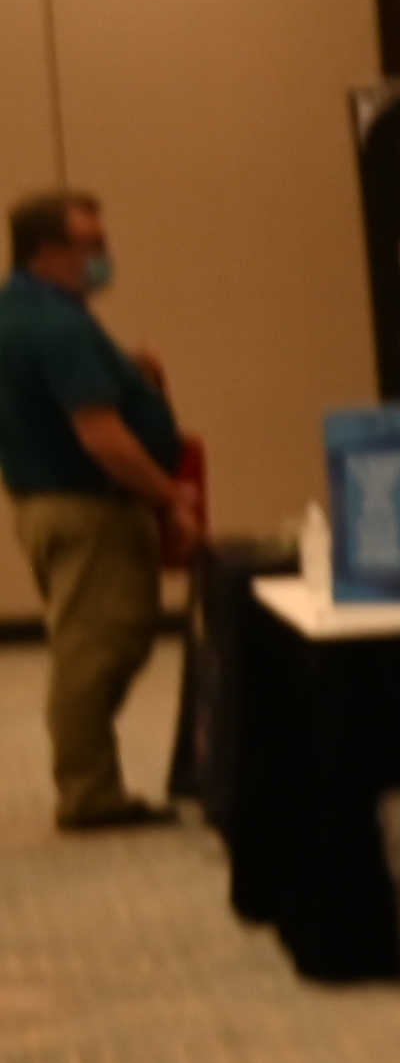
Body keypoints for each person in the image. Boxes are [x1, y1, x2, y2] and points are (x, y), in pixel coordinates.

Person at [2, 186, 192, 830]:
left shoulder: (19, 312)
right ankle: (89, 793)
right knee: (97, 650)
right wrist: (170, 496)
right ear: (47, 250)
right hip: (88, 510)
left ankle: (88, 781)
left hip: (47, 504)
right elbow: (102, 436)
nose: (104, 256)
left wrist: (131, 375)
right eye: (91, 244)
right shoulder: (58, 325)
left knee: (93, 644)